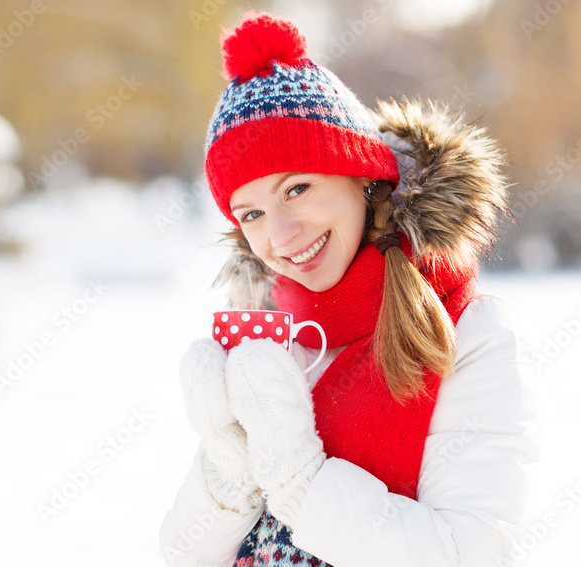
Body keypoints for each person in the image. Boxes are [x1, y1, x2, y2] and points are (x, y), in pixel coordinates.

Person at [159, 12, 542, 567]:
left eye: (297, 188)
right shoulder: (270, 334)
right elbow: (181, 555)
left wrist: (300, 480)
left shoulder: (472, 332)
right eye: (252, 213)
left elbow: (470, 553)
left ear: (360, 174)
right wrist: (228, 468)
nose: (280, 236)